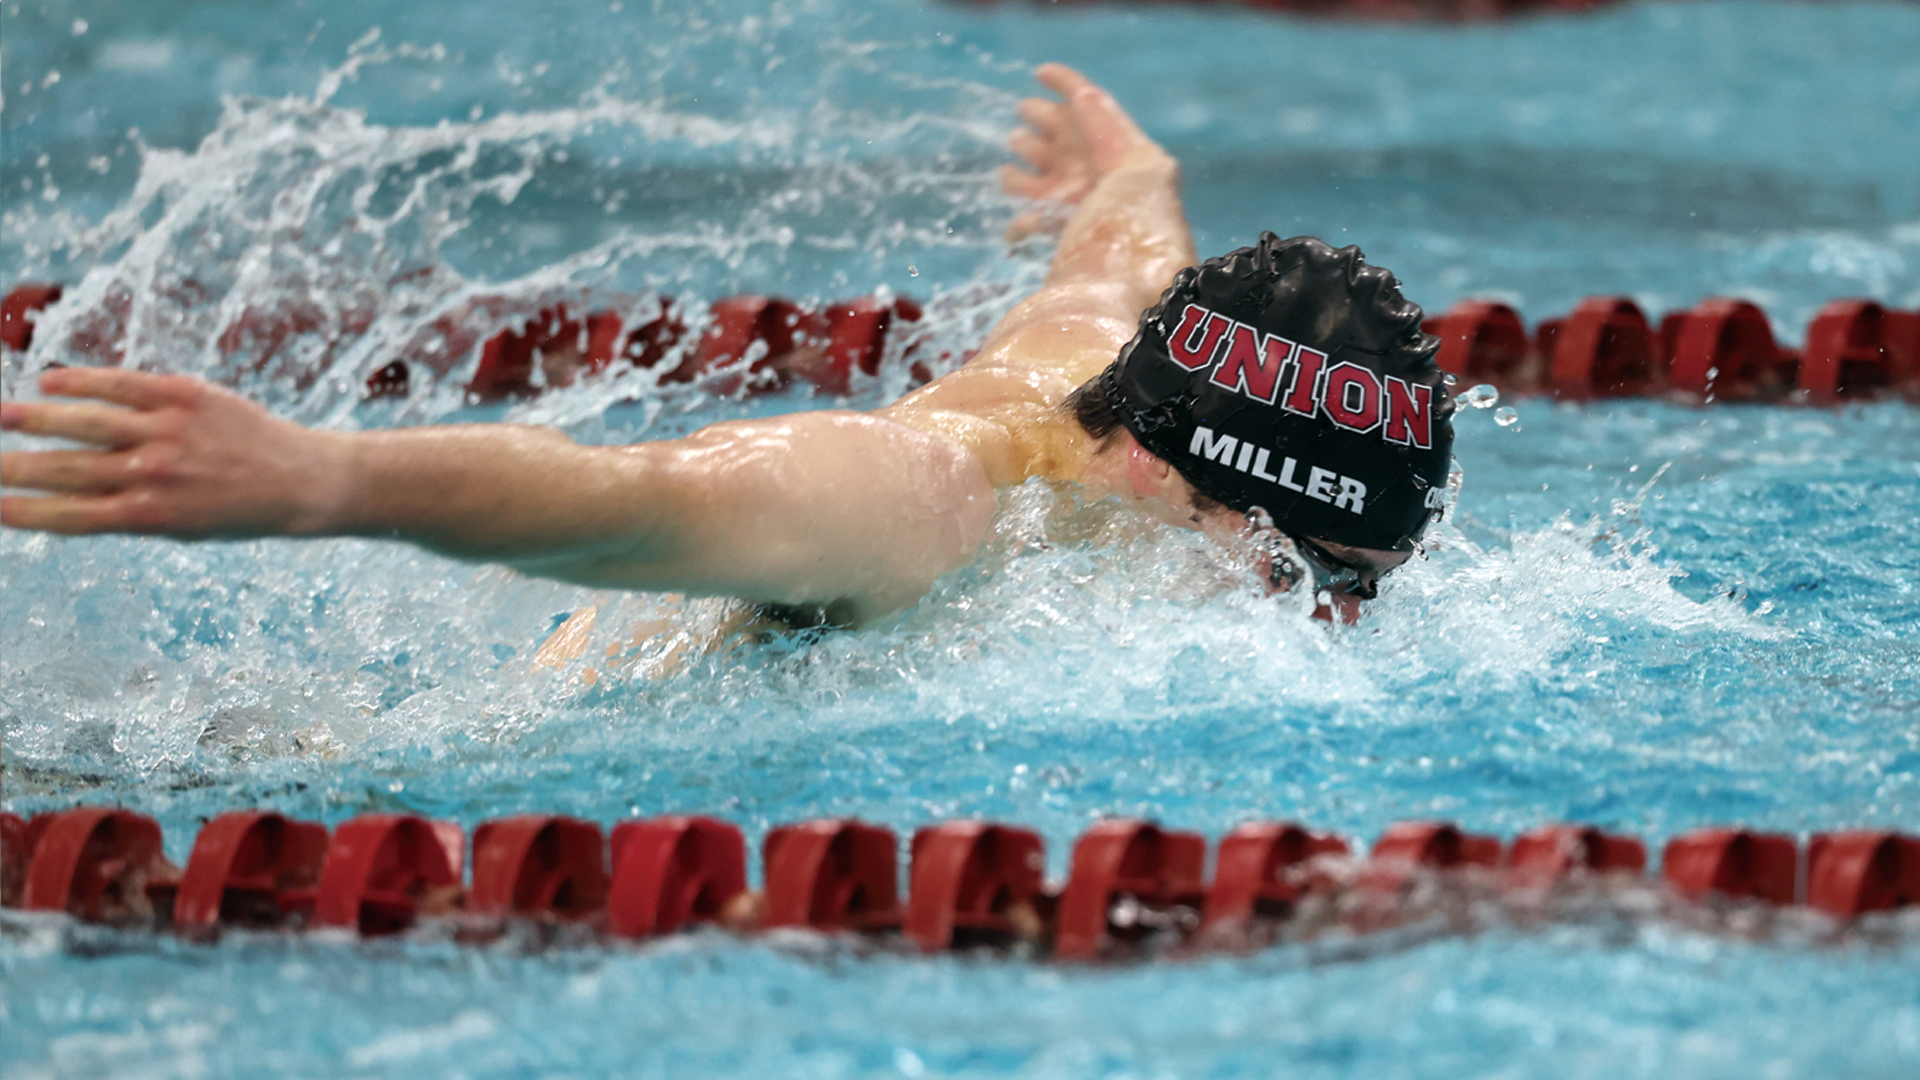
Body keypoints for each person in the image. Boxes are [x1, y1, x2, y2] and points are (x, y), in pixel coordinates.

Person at [0, 64, 1453, 628]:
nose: (1318, 623)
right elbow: (635, 503)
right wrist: (317, 481)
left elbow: (1132, 228)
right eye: (1291, 570)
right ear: (1147, 468)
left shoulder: (1131, 343)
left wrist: (1124, 163)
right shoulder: (923, 504)